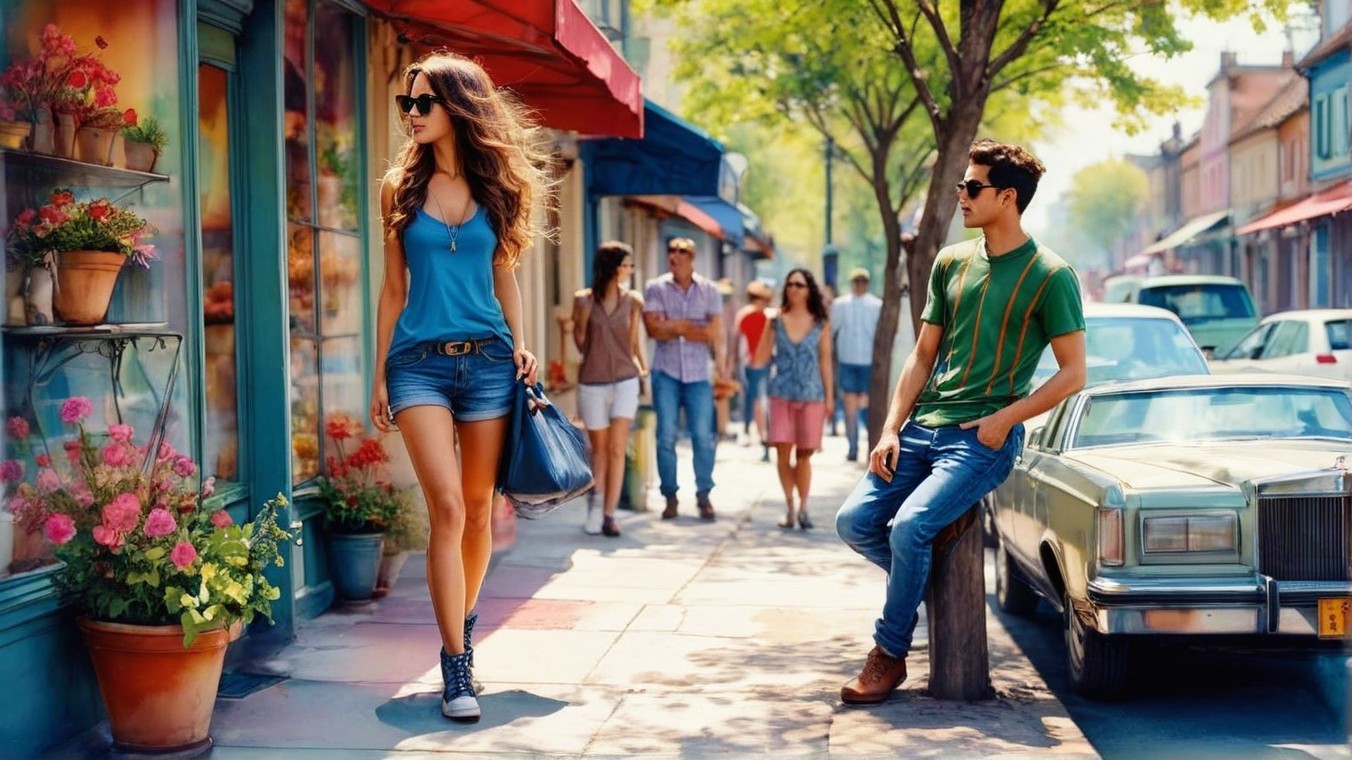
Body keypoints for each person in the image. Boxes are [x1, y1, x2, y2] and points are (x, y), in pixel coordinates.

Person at [833, 139, 1086, 705]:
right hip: (922, 427)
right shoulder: (950, 262)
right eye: (960, 185)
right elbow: (923, 355)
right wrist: (891, 427)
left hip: (981, 440)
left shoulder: (1051, 275)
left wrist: (1005, 420)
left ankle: (888, 654)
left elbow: (1073, 374)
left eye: (972, 187)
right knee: (854, 522)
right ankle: (919, 573)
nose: (961, 195)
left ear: (1008, 197)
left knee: (908, 528)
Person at [369, 51, 549, 723]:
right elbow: (393, 289)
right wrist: (379, 372)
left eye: (424, 103)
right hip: (418, 364)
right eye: (406, 104)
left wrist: (522, 343)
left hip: (490, 364)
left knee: (478, 511)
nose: (412, 114)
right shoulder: (398, 189)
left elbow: (505, 277)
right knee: (445, 508)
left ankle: (461, 630)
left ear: (458, 107)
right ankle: (455, 667)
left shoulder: (496, 187)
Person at [643, 237, 728, 522]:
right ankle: (670, 496)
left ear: (692, 257)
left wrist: (672, 325)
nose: (675, 256)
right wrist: (691, 326)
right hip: (665, 371)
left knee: (703, 437)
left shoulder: (709, 290)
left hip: (698, 374)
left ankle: (704, 494)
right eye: (671, 251)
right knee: (666, 436)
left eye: (682, 252)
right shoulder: (655, 287)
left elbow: (713, 332)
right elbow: (653, 329)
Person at [572, 241, 647, 538]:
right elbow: (581, 343)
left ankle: (609, 515)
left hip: (626, 380)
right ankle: (595, 504)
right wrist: (582, 318)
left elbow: (633, 342)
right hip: (593, 381)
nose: (630, 270)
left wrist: (643, 369)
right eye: (627, 265)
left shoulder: (634, 301)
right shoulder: (583, 300)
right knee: (599, 451)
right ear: (614, 268)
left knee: (617, 449)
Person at [752, 268, 833, 530]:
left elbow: (825, 360)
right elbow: (760, 359)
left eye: (799, 285)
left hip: (812, 395)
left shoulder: (820, 322)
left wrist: (830, 398)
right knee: (782, 453)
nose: (793, 289)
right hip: (781, 394)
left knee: (804, 455)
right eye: (790, 284)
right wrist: (767, 327)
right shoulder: (775, 320)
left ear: (809, 290)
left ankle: (804, 508)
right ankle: (789, 507)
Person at [830, 266, 884, 462]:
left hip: (868, 362)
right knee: (849, 407)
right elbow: (832, 330)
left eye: (863, 281)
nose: (859, 285)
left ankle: (871, 444)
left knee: (867, 407)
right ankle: (852, 447)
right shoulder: (840, 304)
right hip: (848, 360)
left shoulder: (876, 305)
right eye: (856, 281)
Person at [734, 280, 774, 462]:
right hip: (756, 364)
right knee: (758, 401)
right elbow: (739, 342)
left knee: (757, 401)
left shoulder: (755, 316)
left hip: (759, 364)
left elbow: (737, 342)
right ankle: (763, 438)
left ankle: (762, 437)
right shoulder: (759, 316)